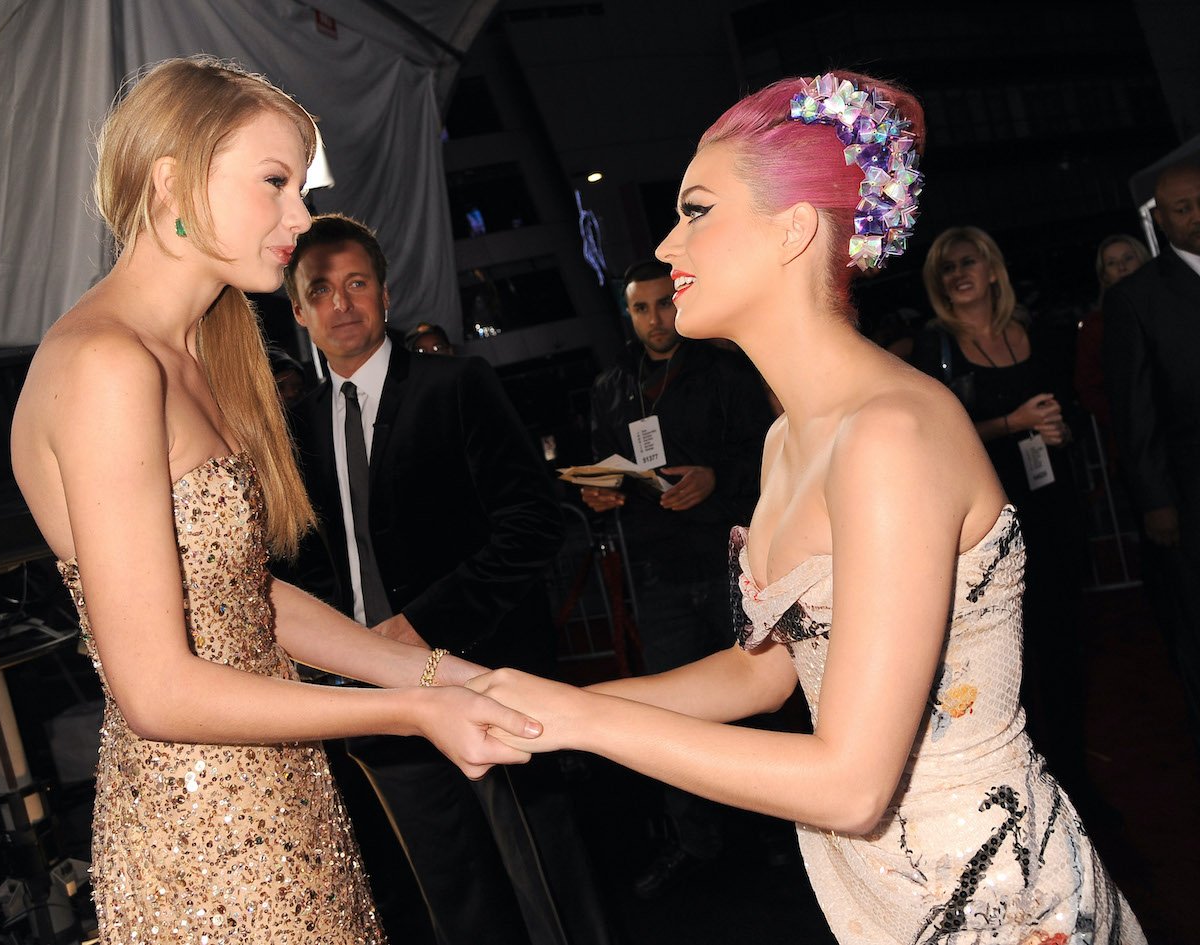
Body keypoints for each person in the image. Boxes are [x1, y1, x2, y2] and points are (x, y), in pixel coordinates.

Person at [469, 71, 1144, 943]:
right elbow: (768, 669)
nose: (668, 244)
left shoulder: (890, 434)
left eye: (697, 210)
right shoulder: (788, 439)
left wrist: (582, 719)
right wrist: (550, 702)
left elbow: (851, 782)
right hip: (876, 889)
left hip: (987, 897)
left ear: (794, 231)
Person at [8, 57, 539, 944]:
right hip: (207, 837)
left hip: (280, 799)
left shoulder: (191, 353)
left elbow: (242, 597)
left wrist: (446, 674)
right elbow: (157, 691)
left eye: (301, 184)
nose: (301, 217)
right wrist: (414, 708)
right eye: (275, 182)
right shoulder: (105, 366)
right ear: (173, 177)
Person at [278, 213, 616, 945]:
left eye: (357, 283)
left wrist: (421, 625)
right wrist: (342, 655)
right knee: (454, 897)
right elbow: (303, 564)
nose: (342, 303)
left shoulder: (456, 383)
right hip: (374, 699)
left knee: (546, 875)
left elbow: (535, 521)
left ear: (387, 295)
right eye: (322, 289)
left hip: (484, 670)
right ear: (299, 310)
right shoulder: (293, 427)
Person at [581, 258, 771, 896]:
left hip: (732, 559)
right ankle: (697, 843)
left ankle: (784, 831)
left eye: (665, 303)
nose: (656, 319)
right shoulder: (612, 387)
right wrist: (601, 493)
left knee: (761, 696)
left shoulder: (725, 370)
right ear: (629, 314)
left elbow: (769, 450)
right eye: (642, 308)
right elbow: (604, 469)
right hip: (656, 566)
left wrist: (715, 476)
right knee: (671, 709)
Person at [911, 226, 1092, 796]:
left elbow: (1072, 409)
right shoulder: (933, 348)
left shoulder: (1030, 334)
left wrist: (1058, 431)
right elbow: (936, 437)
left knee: (1064, 642)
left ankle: (1072, 776)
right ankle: (1019, 785)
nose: (957, 274)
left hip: (1052, 506)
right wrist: (1012, 424)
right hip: (985, 523)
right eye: (945, 268)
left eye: (967, 262)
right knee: (1004, 657)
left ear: (993, 270)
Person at [1104, 161, 1200, 758]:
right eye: (1183, 208)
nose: (1197, 216)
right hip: (1188, 487)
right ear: (1160, 221)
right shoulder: (1137, 297)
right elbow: (1133, 409)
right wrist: (1156, 500)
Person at [1074, 234, 1150, 436]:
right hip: (1134, 430)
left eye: (1128, 258)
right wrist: (1126, 418)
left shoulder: (1170, 307)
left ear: (1143, 259)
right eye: (1112, 263)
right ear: (1104, 274)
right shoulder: (1095, 327)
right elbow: (1089, 386)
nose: (1122, 267)